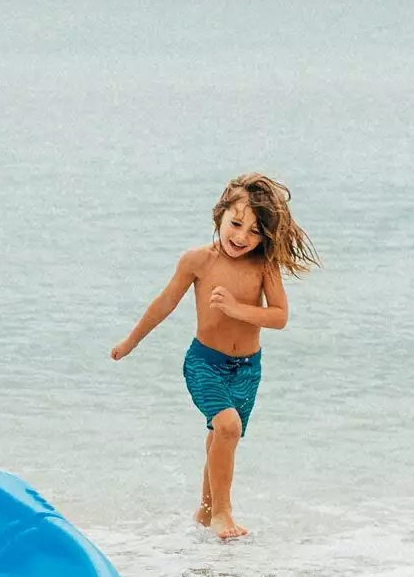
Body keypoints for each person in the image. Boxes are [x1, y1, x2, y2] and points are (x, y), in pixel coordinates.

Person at [111, 174, 318, 540]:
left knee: (220, 435)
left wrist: (237, 309)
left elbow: (279, 316)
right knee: (227, 426)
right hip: (204, 362)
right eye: (236, 224)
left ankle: (206, 513)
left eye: (254, 231)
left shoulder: (264, 266)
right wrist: (131, 341)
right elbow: (164, 303)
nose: (242, 237)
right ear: (219, 215)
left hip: (248, 369)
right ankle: (224, 513)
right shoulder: (197, 261)